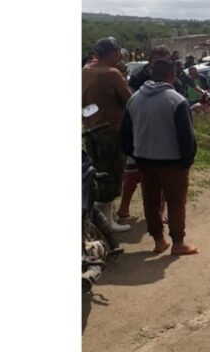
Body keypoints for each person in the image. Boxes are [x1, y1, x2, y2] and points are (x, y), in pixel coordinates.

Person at [121, 58, 199, 256]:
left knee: (151, 201)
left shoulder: (134, 98)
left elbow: (125, 134)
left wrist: (136, 154)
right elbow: (187, 136)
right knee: (175, 201)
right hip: (172, 161)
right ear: (172, 76)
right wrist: (187, 161)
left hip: (144, 160)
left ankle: (158, 240)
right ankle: (178, 242)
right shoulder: (176, 100)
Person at [82, 37, 133, 232]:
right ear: (114, 54)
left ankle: (97, 217)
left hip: (90, 129)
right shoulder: (112, 74)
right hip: (111, 132)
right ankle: (107, 221)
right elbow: (129, 101)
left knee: (96, 173)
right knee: (112, 175)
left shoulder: (85, 71)